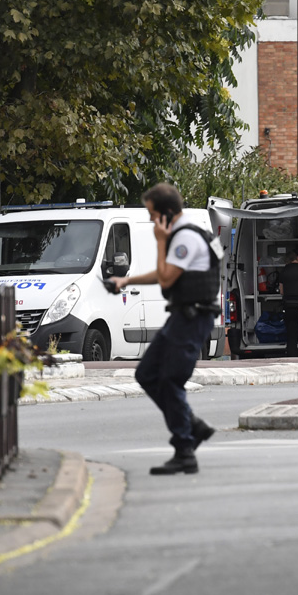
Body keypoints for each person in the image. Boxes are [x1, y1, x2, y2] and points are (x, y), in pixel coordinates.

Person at [109, 184, 219, 476]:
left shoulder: (184, 238)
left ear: (166, 214)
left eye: (152, 214)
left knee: (170, 380)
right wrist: (126, 282)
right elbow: (165, 272)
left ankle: (185, 448)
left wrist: (160, 240)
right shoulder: (182, 235)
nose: (150, 221)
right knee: (146, 374)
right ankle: (193, 427)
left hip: (192, 318)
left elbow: (168, 279)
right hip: (181, 317)